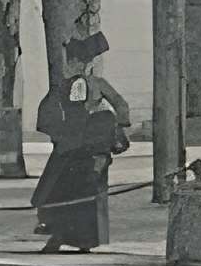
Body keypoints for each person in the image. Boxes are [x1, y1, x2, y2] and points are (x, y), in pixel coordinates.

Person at [31, 33, 130, 254]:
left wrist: (105, 125)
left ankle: (63, 237)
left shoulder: (79, 84)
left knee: (65, 191)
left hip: (78, 149)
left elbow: (77, 114)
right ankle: (80, 240)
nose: (69, 65)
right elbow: (121, 106)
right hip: (86, 148)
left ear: (81, 63)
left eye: (73, 61)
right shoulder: (91, 83)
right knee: (80, 194)